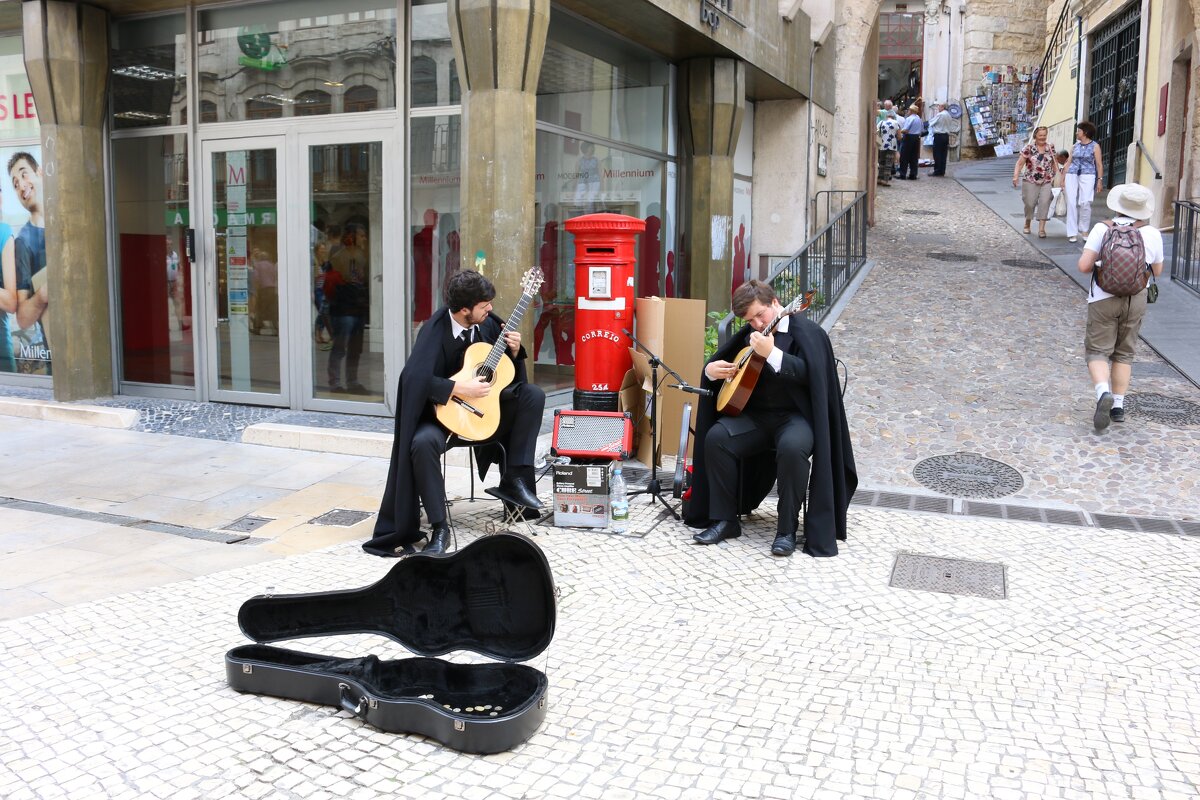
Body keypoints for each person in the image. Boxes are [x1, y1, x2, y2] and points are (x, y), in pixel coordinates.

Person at [366, 270, 547, 557]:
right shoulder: (433, 331)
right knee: (421, 444)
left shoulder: (488, 324)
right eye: (484, 305)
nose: (491, 310)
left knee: (533, 395)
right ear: (464, 310)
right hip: (441, 417)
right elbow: (413, 379)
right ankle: (440, 528)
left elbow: (507, 376)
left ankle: (515, 479)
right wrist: (458, 387)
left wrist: (514, 352)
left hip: (483, 416)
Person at [684, 280, 857, 557]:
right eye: (748, 319)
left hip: (798, 419)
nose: (755, 323)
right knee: (717, 438)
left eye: (759, 315)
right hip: (757, 418)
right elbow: (726, 368)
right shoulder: (751, 334)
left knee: (791, 448)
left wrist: (773, 354)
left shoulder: (809, 334)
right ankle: (725, 520)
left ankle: (786, 530)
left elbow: (812, 375)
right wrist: (711, 371)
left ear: (775, 304)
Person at [1077, 184, 1163, 432]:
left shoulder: (1102, 229)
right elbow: (1157, 272)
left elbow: (1084, 266)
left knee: (1097, 351)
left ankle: (1102, 392)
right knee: (1124, 353)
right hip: (1135, 299)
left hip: (1103, 297)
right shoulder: (1152, 233)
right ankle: (1118, 406)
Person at [9, 152, 49, 372]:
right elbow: (23, 318)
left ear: (40, 173)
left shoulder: (67, 219)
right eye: (16, 184)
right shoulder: (23, 241)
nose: (22, 186)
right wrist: (42, 296)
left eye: (24, 176)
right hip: (55, 352)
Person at [324, 225, 370, 394]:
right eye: (362, 235)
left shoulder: (361, 256)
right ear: (352, 237)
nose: (364, 238)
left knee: (354, 349)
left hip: (356, 308)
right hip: (344, 309)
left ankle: (352, 381)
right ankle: (335, 383)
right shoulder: (339, 257)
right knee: (340, 347)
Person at [1012, 126, 1059, 238]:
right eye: (1040, 135)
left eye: (1044, 135)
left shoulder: (1050, 148)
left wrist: (1056, 176)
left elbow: (1054, 163)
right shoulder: (1028, 148)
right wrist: (1015, 176)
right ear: (1035, 136)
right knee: (1029, 203)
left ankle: (1041, 229)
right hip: (1030, 180)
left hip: (1046, 180)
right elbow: (1019, 164)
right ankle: (1027, 222)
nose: (1043, 137)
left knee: (1045, 202)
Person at [1062, 121, 1104, 243]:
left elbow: (1099, 165)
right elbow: (1068, 162)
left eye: (1078, 131)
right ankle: (1072, 232)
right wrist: (1063, 179)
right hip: (1072, 174)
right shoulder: (1075, 146)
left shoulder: (1095, 146)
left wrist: (1100, 180)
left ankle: (1084, 229)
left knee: (1086, 202)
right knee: (1071, 202)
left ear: (1085, 133)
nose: (1077, 132)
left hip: (1088, 175)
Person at [896, 104, 923, 180]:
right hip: (916, 138)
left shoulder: (910, 118)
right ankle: (913, 174)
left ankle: (902, 174)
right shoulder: (919, 118)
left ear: (911, 111)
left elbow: (906, 129)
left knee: (904, 156)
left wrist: (899, 131)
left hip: (909, 137)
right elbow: (922, 129)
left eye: (908, 110)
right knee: (914, 157)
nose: (907, 111)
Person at [927, 101, 952, 177]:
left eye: (939, 106)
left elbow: (931, 122)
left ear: (943, 107)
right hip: (946, 136)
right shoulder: (948, 115)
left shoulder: (940, 114)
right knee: (943, 154)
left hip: (939, 136)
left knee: (937, 154)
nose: (938, 108)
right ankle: (942, 170)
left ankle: (937, 170)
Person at [876, 109, 900, 187]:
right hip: (891, 145)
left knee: (881, 162)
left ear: (887, 116)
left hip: (882, 144)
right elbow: (899, 136)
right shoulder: (896, 123)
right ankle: (885, 180)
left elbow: (876, 133)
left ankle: (879, 179)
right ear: (893, 116)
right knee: (888, 163)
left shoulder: (881, 122)